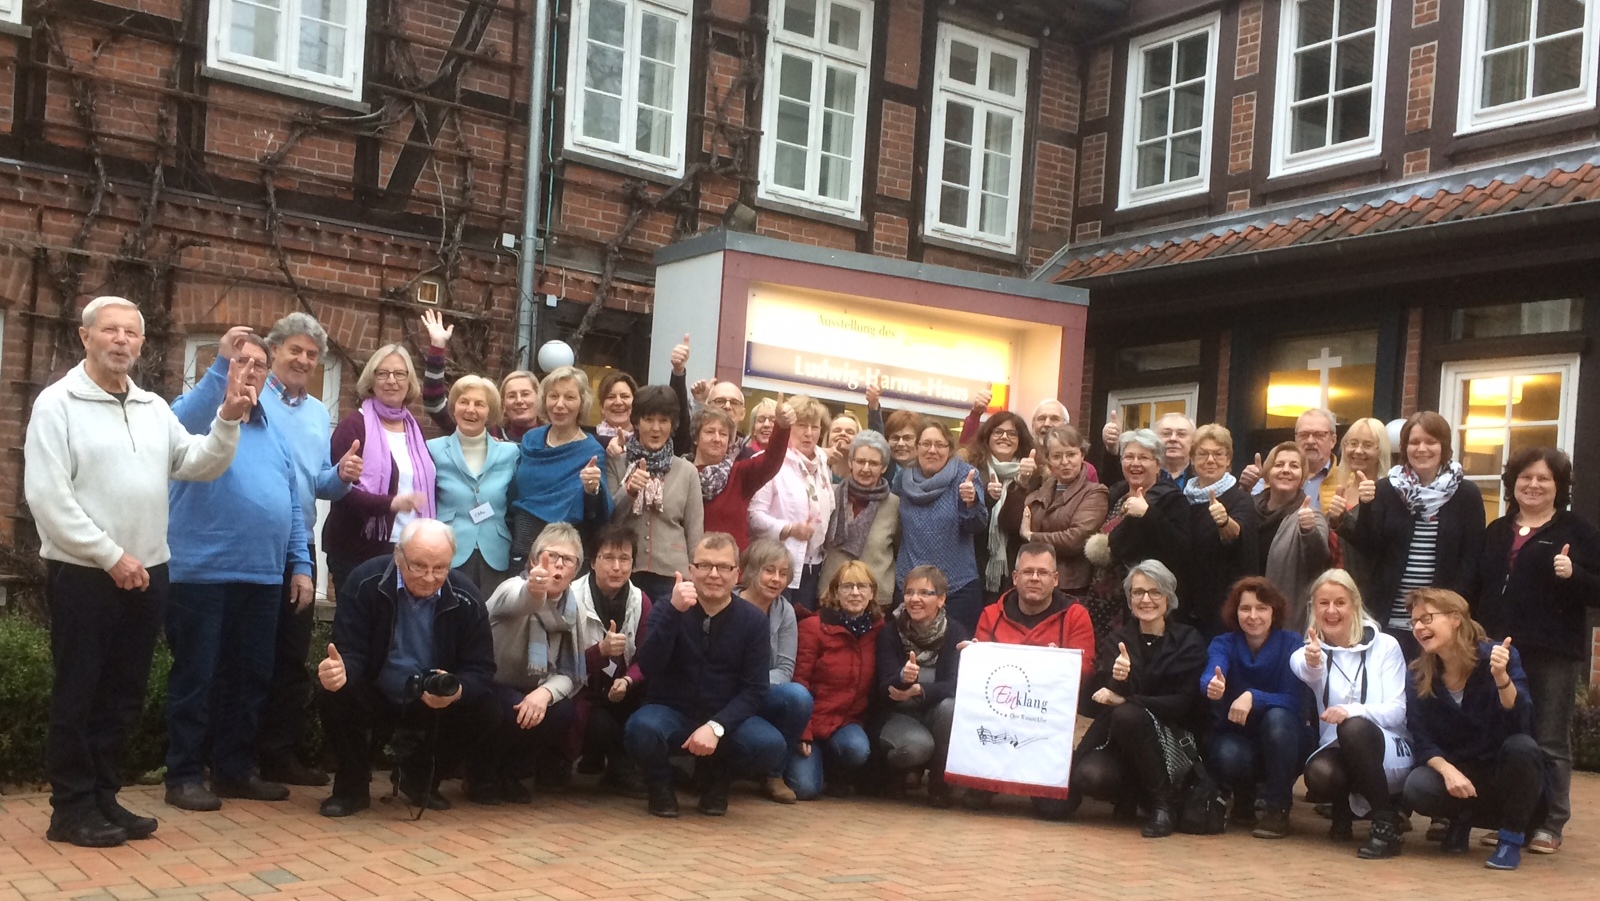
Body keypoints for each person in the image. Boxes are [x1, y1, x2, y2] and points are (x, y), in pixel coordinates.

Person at [25, 296, 250, 848]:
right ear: (86, 337)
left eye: (131, 332)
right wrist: (110, 555)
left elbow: (196, 464)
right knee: (79, 692)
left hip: (149, 573)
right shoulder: (57, 405)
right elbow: (49, 500)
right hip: (84, 574)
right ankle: (70, 808)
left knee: (123, 695)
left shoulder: (152, 407)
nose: (121, 340)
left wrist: (226, 420)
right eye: (111, 330)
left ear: (141, 344)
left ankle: (104, 797)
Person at [162, 331, 311, 812]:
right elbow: (175, 426)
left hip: (264, 577)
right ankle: (183, 774)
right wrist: (218, 373)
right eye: (240, 361)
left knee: (249, 678)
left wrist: (301, 565)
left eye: (258, 364)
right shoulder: (195, 413)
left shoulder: (273, 432)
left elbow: (291, 505)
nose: (250, 369)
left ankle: (234, 769)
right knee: (197, 677)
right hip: (200, 574)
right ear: (224, 364)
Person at [315, 519, 498, 817]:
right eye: (419, 566)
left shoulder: (467, 597)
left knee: (487, 708)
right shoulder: (365, 581)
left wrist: (457, 689)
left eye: (440, 568)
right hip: (376, 689)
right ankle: (352, 786)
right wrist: (341, 669)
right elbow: (351, 650)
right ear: (399, 556)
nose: (429, 577)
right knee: (334, 692)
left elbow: (481, 667)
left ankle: (422, 778)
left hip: (432, 697)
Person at [1472, 447, 1598, 854]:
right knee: (1508, 735)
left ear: (1558, 486)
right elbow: (1477, 588)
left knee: (1548, 738)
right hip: (1499, 649)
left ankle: (1551, 822)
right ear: (1513, 483)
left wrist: (1574, 573)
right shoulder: (1496, 530)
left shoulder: (1577, 532)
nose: (1533, 485)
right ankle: (1514, 819)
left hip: (1552, 650)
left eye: (1544, 479)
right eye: (1526, 477)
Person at [258, 312, 363, 788]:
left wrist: (340, 477)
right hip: (253, 541)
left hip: (299, 545)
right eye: (294, 350)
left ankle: (280, 756)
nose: (302, 359)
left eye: (311, 353)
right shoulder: (251, 399)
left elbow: (317, 484)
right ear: (273, 350)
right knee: (246, 655)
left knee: (289, 656)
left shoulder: (320, 413)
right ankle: (231, 756)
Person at [624, 533, 788, 817]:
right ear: (691, 570)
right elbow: (648, 666)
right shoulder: (667, 606)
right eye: (704, 565)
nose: (714, 574)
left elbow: (755, 689)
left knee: (770, 745)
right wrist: (675, 613)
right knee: (641, 729)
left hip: (725, 716)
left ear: (737, 573)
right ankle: (660, 787)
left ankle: (717, 782)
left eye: (723, 567)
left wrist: (716, 726)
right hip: (671, 711)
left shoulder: (753, 621)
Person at [1403, 588, 1540, 869]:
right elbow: (1422, 739)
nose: (1418, 627)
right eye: (1414, 621)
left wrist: (1501, 678)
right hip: (1460, 772)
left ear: (1455, 618)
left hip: (1501, 772)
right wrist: (1447, 770)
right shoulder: (1418, 673)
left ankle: (1510, 840)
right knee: (1418, 785)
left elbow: (1523, 723)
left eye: (1427, 618)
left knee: (1522, 748)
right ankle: (1461, 818)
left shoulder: (1499, 655)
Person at [1071, 560, 1207, 838]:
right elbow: (1097, 700)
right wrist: (1118, 678)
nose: (1146, 599)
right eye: (1137, 592)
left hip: (1173, 739)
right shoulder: (1117, 640)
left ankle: (1162, 805)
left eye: (1154, 592)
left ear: (1168, 597)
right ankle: (1129, 794)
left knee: (1127, 715)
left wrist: (1126, 700)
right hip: (1120, 742)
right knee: (1091, 775)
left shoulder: (1188, 640)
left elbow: (1182, 703)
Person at [966, 543, 1098, 819]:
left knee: (1056, 809)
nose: (1034, 579)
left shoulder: (1076, 615)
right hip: (996, 722)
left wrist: (1055, 665)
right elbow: (978, 675)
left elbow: (1084, 668)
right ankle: (989, 782)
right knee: (973, 802)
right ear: (1015, 578)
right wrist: (972, 657)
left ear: (1055, 579)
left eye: (1042, 572)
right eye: (1027, 572)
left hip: (1047, 725)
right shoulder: (992, 614)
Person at [1290, 569, 1413, 858]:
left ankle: (1385, 824)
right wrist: (1312, 661)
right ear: (1313, 608)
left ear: (1355, 605)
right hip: (1340, 749)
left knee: (1353, 726)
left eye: (1340, 602)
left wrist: (1351, 710)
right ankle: (1343, 809)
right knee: (1319, 772)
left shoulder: (1386, 646)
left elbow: (1397, 711)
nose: (1331, 611)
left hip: (1390, 749)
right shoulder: (1306, 652)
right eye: (1323, 603)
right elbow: (1310, 669)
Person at [1347, 411, 1485, 654]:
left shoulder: (1467, 494)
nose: (1422, 449)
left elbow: (1472, 559)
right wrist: (1366, 507)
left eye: (1430, 442)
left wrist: (1449, 611)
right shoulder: (1386, 489)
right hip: (1389, 618)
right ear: (1404, 447)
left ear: (1444, 446)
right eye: (1414, 442)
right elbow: (1369, 549)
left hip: (1441, 623)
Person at [475, 524, 591, 803]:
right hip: (491, 682)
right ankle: (481, 776)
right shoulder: (512, 587)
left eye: (569, 560)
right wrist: (535, 590)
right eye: (551, 556)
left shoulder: (575, 610)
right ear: (533, 559)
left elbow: (569, 673)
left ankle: (511, 774)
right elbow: (521, 602)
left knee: (561, 710)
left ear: (576, 570)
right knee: (511, 708)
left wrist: (545, 693)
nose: (559, 566)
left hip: (533, 688)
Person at [324, 344, 436, 596]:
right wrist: (391, 503)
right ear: (371, 381)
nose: (391, 381)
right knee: (360, 630)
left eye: (399, 374)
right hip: (358, 550)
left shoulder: (414, 430)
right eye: (382, 373)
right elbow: (341, 491)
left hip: (408, 548)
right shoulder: (353, 426)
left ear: (409, 382)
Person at [1200, 577, 1306, 839]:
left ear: (1274, 611)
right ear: (1235, 612)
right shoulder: (1223, 643)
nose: (1253, 616)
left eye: (1262, 608)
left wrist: (1252, 696)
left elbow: (1295, 700)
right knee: (1225, 753)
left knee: (1278, 719)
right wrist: (1213, 685)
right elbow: (1211, 673)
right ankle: (1243, 800)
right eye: (1245, 608)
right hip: (1239, 738)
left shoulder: (1292, 644)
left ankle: (1278, 808)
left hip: (1286, 739)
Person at [785, 562, 883, 800]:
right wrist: (803, 732)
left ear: (872, 593)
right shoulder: (813, 628)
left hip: (846, 723)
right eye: (847, 586)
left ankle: (834, 770)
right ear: (835, 592)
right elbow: (799, 681)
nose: (855, 593)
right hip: (811, 723)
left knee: (857, 750)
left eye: (862, 586)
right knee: (805, 790)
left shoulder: (879, 631)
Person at [875, 565, 970, 808]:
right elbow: (884, 682)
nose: (914, 599)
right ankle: (894, 773)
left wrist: (921, 690)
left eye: (924, 593)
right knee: (917, 748)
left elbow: (954, 685)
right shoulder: (889, 631)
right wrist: (902, 677)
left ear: (941, 599)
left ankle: (940, 784)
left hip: (934, 712)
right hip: (898, 713)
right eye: (909, 592)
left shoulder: (955, 631)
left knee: (951, 708)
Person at [1084, 429, 1190, 639]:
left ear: (1158, 464)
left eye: (1144, 458)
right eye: (1129, 457)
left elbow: (1181, 550)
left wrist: (1148, 515)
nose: (1135, 463)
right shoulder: (1116, 493)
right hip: (1102, 598)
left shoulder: (1171, 498)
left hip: (1141, 600)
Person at [572, 526, 652, 795]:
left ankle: (623, 766)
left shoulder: (642, 601)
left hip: (622, 690)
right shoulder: (571, 597)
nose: (617, 567)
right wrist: (600, 652)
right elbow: (560, 664)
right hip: (580, 689)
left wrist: (629, 680)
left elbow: (646, 656)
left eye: (625, 559)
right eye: (608, 558)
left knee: (648, 700)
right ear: (593, 562)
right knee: (599, 723)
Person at [607, 384, 704, 603]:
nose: (656, 428)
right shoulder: (617, 462)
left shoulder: (686, 471)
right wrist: (629, 490)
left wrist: (695, 576)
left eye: (664, 421)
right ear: (637, 423)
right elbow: (609, 519)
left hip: (672, 574)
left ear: (673, 425)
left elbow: (695, 531)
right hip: (626, 570)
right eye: (649, 420)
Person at [509, 366, 610, 566]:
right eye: (553, 396)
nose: (559, 405)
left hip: (565, 552)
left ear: (582, 403)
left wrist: (592, 490)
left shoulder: (592, 451)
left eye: (570, 397)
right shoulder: (530, 440)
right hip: (524, 544)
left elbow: (597, 515)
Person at [739, 539, 814, 804]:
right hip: (729, 697)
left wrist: (752, 684)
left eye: (783, 574)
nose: (776, 579)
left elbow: (784, 670)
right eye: (769, 571)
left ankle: (774, 774)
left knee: (798, 696)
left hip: (761, 693)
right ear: (753, 571)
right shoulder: (729, 604)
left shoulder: (785, 612)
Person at [893, 420, 988, 630]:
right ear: (916, 447)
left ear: (950, 449)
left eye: (940, 444)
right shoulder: (902, 478)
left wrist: (971, 502)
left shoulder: (966, 475)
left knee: (955, 655)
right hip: (910, 587)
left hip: (957, 588)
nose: (932, 450)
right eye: (926, 444)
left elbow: (978, 526)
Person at [427, 375, 519, 591]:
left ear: (490, 412)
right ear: (454, 407)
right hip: (447, 551)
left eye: (479, 404)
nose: (470, 409)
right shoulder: (433, 449)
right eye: (464, 402)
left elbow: (516, 501)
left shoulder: (511, 453)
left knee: (490, 620)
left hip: (494, 553)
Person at [749, 395, 835, 610]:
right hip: (774, 566)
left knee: (801, 629)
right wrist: (788, 529)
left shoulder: (823, 464)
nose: (808, 433)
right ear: (788, 427)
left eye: (814, 427)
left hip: (812, 566)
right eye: (801, 425)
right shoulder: (768, 461)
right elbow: (753, 515)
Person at [1183, 424, 1259, 636]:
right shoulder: (1182, 500)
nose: (1210, 460)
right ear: (1192, 459)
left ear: (1228, 461)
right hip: (1185, 609)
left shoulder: (1240, 498)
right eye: (1203, 453)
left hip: (1221, 612)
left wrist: (1225, 522)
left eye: (1218, 454)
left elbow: (1236, 535)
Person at [1017, 426, 1108, 600]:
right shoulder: (1039, 490)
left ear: (1082, 455)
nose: (1065, 462)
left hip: (1071, 587)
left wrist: (1031, 536)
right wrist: (1022, 482)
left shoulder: (1095, 492)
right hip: (1035, 583)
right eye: (1057, 456)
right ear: (1049, 461)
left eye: (1071, 454)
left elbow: (1075, 539)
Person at [693, 399, 790, 550]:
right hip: (693, 566)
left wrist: (782, 428)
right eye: (710, 431)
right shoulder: (682, 474)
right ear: (695, 438)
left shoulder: (739, 474)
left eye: (723, 434)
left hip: (730, 567)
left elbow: (771, 461)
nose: (717, 439)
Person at [1252, 442, 1330, 628]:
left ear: (1303, 476)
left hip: (1285, 620)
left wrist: (1308, 531)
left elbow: (1319, 561)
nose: (1286, 470)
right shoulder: (1248, 508)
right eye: (1279, 465)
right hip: (1247, 616)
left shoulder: (1311, 515)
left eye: (1294, 466)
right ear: (1268, 472)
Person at [820, 431, 901, 609]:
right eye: (860, 461)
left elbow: (898, 548)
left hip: (876, 600)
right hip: (831, 594)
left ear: (884, 467)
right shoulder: (830, 495)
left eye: (873, 463)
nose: (866, 469)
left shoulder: (894, 505)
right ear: (850, 462)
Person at [965, 411, 1038, 601]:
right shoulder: (970, 470)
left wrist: (1022, 482)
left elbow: (1011, 524)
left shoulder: (1036, 475)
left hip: (1015, 567)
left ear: (1020, 440)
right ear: (987, 436)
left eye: (1012, 433)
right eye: (998, 432)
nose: (1004, 437)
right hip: (973, 564)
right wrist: (988, 500)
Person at [1325, 416, 1391, 591]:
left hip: (1367, 592)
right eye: (1353, 443)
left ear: (1381, 450)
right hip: (1333, 589)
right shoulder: (1337, 488)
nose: (1358, 451)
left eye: (1368, 445)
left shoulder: (1389, 494)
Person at [1240, 408, 1340, 510]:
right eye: (1303, 435)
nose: (1310, 441)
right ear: (1296, 439)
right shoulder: (1273, 476)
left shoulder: (1345, 481)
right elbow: (1248, 515)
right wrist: (1246, 488)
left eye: (1319, 435)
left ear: (1333, 440)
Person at [1100, 412, 1194, 488]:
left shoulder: (1202, 475)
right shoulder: (1136, 472)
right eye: (1166, 433)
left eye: (1181, 434)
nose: (1173, 439)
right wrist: (1112, 447)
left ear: (1193, 440)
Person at [824, 412, 861, 483]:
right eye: (837, 430)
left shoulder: (863, 476)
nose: (842, 433)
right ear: (828, 436)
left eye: (850, 432)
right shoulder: (815, 469)